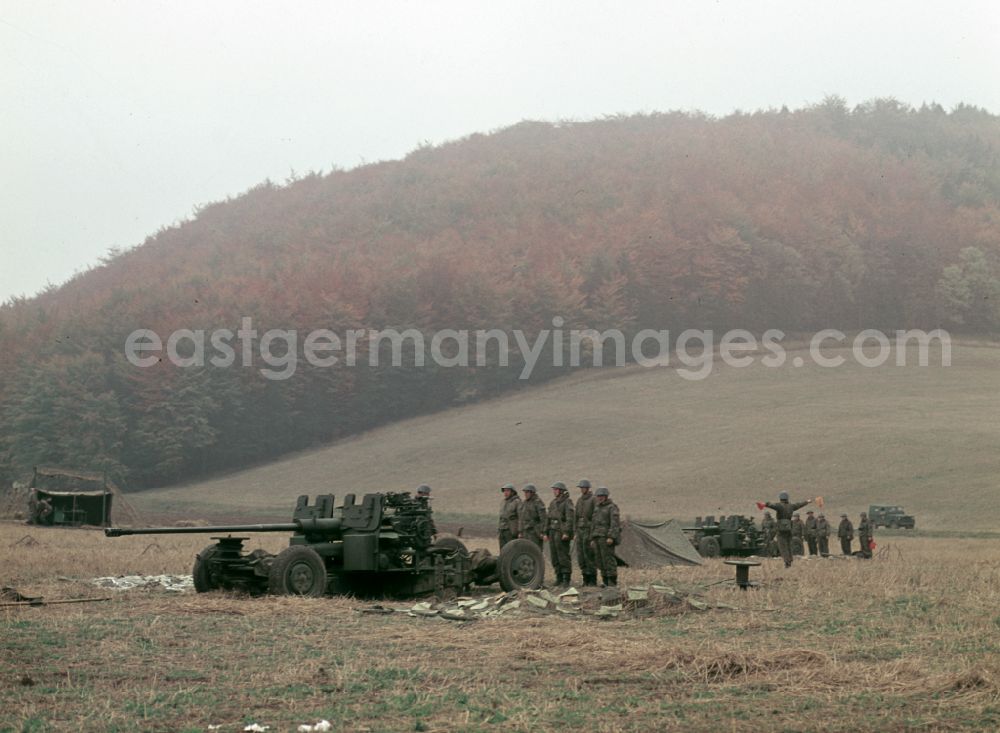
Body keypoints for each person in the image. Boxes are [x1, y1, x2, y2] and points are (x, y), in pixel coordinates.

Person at [761, 491, 813, 568]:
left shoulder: (779, 506)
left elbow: (772, 505)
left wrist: (765, 504)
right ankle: (790, 559)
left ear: (780, 498)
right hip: (789, 528)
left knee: (782, 546)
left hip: (780, 529)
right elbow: (799, 504)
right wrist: (807, 502)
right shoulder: (791, 506)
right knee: (789, 544)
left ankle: (787, 562)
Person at [589, 487, 621, 587]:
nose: (600, 498)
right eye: (598, 496)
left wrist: (611, 537)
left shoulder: (612, 507)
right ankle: (605, 580)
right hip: (597, 537)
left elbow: (614, 524)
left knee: (608, 560)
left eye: (602, 496)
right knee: (599, 560)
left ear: (606, 497)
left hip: (606, 538)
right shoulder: (597, 508)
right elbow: (593, 524)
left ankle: (612, 581)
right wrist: (592, 538)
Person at [546, 482, 575, 586]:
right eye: (554, 489)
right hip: (552, 531)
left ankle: (566, 579)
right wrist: (546, 532)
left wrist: (566, 532)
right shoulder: (553, 503)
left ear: (562, 491)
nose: (554, 491)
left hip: (561, 532)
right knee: (554, 556)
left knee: (563, 555)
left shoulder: (567, 502)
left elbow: (570, 519)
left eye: (556, 489)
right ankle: (558, 577)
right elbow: (548, 518)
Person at [574, 479, 598, 586]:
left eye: (583, 488)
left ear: (588, 489)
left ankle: (592, 580)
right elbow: (575, 517)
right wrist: (575, 532)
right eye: (581, 488)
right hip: (580, 531)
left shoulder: (593, 500)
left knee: (589, 555)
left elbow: (595, 518)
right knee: (581, 556)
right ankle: (585, 579)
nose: (582, 490)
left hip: (589, 531)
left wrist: (593, 535)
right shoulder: (579, 500)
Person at [517, 484, 546, 550]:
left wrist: (542, 532)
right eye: (525, 492)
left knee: (535, 550)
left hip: (534, 532)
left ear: (532, 493)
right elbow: (521, 518)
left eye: (527, 492)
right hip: (525, 532)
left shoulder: (538, 502)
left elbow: (543, 519)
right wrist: (520, 531)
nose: (525, 494)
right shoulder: (524, 503)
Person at [497, 483, 521, 550]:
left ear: (512, 492)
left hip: (511, 530)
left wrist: (520, 531)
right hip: (502, 529)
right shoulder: (503, 502)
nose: (505, 493)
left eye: (507, 491)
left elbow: (520, 517)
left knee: (511, 549)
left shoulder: (517, 502)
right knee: (502, 549)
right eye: (504, 491)